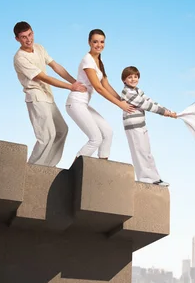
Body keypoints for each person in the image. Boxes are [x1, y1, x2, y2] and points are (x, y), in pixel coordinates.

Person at [13, 21, 87, 166]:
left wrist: (74, 82)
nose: (28, 39)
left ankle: (47, 168)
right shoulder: (20, 58)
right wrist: (70, 87)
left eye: (29, 35)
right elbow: (44, 77)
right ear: (17, 39)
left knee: (62, 130)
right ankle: (31, 169)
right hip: (36, 97)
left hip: (47, 96)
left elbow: (55, 66)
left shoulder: (39, 48)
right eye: (23, 37)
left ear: (33, 32)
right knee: (46, 136)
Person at [65, 29, 134, 160]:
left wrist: (121, 100)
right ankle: (74, 170)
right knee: (95, 139)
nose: (99, 45)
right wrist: (120, 105)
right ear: (89, 42)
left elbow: (106, 85)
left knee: (108, 132)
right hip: (75, 103)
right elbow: (98, 88)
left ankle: (102, 165)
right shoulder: (87, 61)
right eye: (95, 41)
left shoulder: (99, 61)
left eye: (102, 42)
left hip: (83, 104)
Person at [120, 66, 176, 186]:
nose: (133, 79)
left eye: (135, 77)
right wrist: (164, 113)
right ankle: (145, 179)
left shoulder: (137, 91)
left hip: (141, 124)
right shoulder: (127, 93)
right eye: (130, 77)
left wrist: (168, 111)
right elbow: (146, 105)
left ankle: (155, 178)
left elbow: (151, 101)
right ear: (124, 80)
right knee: (140, 152)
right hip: (133, 126)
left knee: (147, 152)